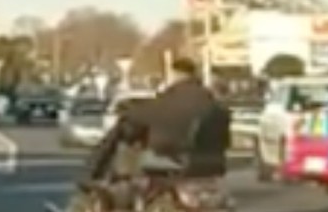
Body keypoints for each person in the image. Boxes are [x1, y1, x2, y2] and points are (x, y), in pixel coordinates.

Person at [86, 57, 230, 181]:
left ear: (176, 74)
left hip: (175, 156)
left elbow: (150, 112)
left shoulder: (174, 97)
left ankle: (95, 173)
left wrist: (128, 110)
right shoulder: (209, 99)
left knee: (124, 135)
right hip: (213, 161)